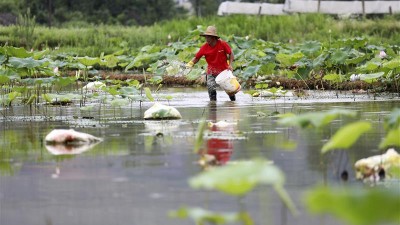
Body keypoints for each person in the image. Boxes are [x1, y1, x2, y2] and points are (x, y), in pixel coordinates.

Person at [186, 25, 235, 101]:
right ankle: (213, 107)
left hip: (224, 71)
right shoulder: (204, 47)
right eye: (206, 37)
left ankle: (233, 104)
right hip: (211, 72)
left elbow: (231, 53)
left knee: (231, 91)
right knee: (211, 89)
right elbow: (196, 58)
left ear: (213, 37)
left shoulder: (222, 44)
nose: (206, 39)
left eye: (208, 37)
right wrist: (190, 63)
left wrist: (230, 65)